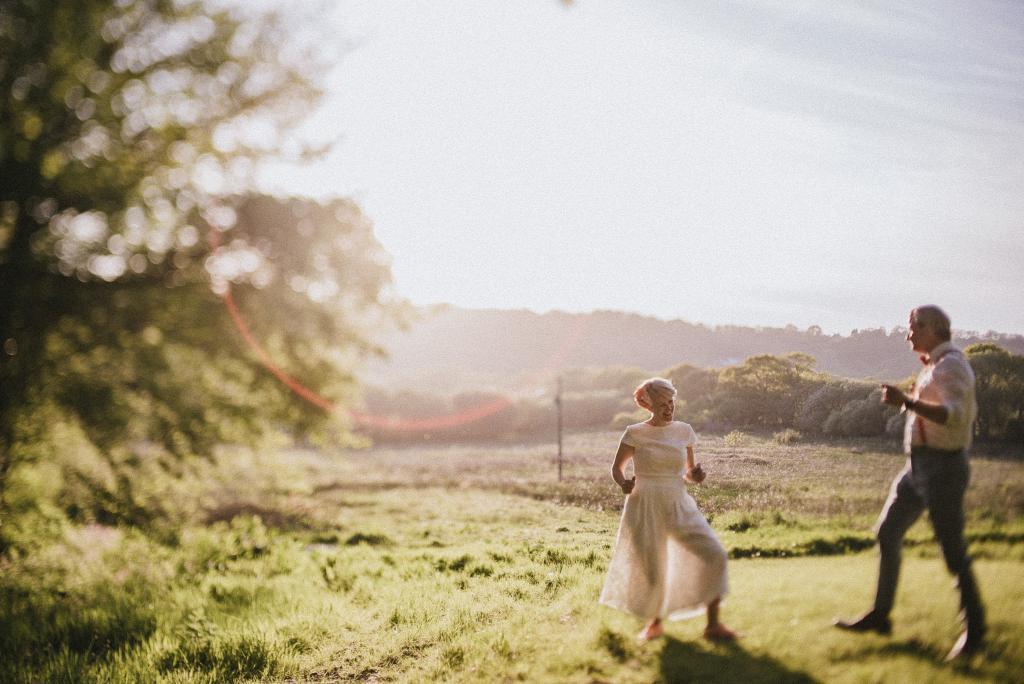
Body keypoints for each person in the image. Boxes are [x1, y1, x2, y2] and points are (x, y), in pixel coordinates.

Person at [834, 305, 985, 662]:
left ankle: (975, 634)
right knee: (887, 532)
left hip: (944, 468)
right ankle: (880, 617)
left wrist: (907, 401)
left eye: (911, 328)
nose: (908, 335)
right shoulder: (934, 366)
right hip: (916, 468)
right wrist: (907, 402)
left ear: (931, 327)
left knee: (953, 550)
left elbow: (953, 416)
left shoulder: (952, 366)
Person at [599, 377, 736, 642]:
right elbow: (617, 468)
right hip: (644, 503)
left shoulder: (684, 431)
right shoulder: (634, 432)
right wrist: (624, 483)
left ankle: (713, 626)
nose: (668, 408)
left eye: (671, 402)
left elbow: (688, 474)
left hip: (678, 501)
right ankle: (655, 623)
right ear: (649, 405)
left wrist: (696, 476)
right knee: (654, 568)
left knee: (714, 554)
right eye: (662, 403)